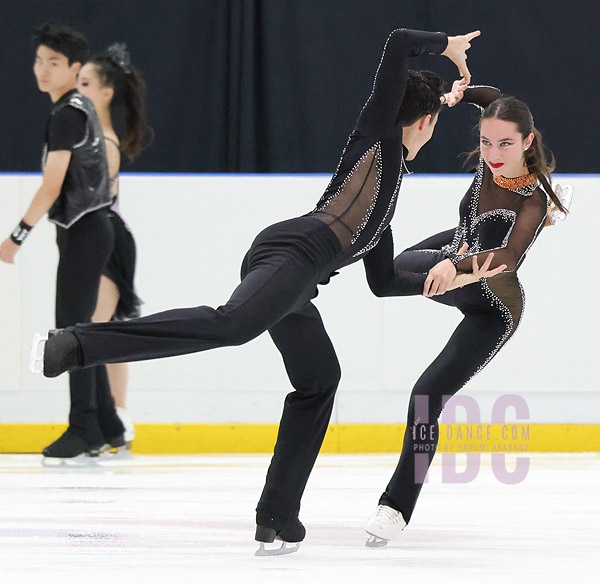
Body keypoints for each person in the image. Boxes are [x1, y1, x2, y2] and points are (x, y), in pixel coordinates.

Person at [36, 28, 499, 553]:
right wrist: (445, 46)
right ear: (426, 121)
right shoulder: (377, 137)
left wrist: (447, 277)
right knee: (231, 326)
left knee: (319, 379)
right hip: (291, 251)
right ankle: (75, 344)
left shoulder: (388, 197)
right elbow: (396, 44)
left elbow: (383, 281)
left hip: (301, 279)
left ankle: (277, 516)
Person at [362, 85, 569, 546]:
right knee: (387, 274)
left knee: (426, 396)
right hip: (458, 256)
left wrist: (453, 265)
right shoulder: (488, 162)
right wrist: (455, 94)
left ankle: (396, 507)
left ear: (528, 141)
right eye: (486, 142)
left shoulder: (532, 198)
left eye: (506, 144)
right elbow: (493, 97)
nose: (493, 154)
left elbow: (509, 258)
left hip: (492, 307)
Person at [0, 22, 125, 457]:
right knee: (80, 328)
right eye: (39, 60)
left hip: (87, 231)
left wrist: (16, 237)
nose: (43, 70)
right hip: (90, 230)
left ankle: (84, 426)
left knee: (71, 333)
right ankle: (107, 422)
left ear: (74, 68)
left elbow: (51, 186)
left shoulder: (68, 114)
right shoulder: (75, 106)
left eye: (54, 63)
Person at [78, 43, 153, 449]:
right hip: (104, 234)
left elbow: (91, 199)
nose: (78, 88)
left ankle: (104, 419)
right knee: (104, 330)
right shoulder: (91, 135)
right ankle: (117, 419)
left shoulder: (101, 140)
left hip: (107, 238)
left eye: (84, 82)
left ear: (106, 92)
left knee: (93, 331)